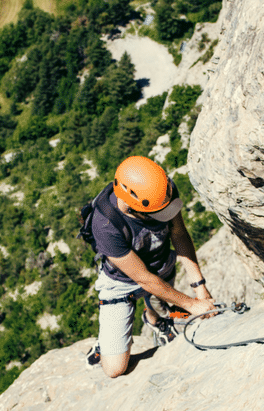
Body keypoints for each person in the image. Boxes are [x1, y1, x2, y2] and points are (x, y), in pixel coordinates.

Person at [87, 155, 215, 378]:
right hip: (121, 283)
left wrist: (199, 287)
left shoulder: (161, 194)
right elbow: (143, 279)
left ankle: (154, 320)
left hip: (160, 265)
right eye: (154, 214)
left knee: (161, 310)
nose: (161, 217)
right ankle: (106, 342)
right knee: (115, 369)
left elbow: (179, 234)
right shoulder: (106, 224)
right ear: (130, 203)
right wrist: (191, 305)